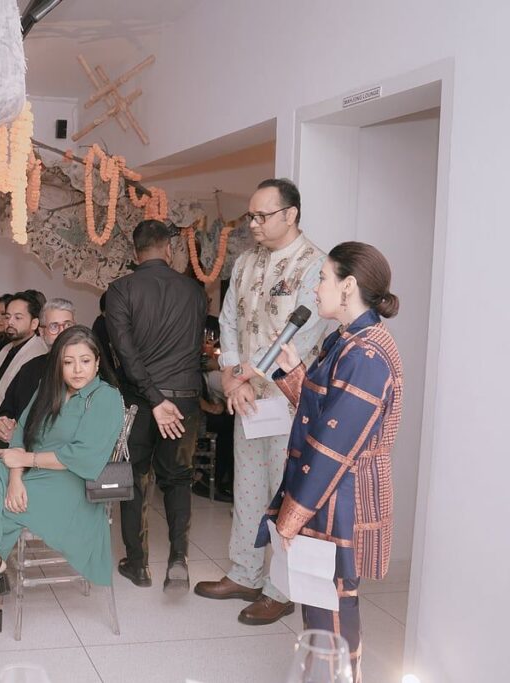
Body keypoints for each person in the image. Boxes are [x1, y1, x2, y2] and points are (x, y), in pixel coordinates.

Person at [256, 242, 403, 683]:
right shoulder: (348, 340)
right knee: (320, 601)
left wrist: (291, 516)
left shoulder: (366, 355)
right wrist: (295, 373)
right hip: (331, 487)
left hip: (341, 493)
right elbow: (329, 416)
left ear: (348, 286)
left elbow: (333, 446)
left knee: (333, 607)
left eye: (323, 278)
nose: (316, 288)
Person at [194, 178, 330, 626]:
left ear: (290, 215)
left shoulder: (315, 265)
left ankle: (281, 589)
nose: (252, 224)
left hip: (291, 401)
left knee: (285, 495)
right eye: (250, 216)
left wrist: (246, 376)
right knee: (248, 487)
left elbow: (302, 336)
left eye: (261, 216)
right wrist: (233, 377)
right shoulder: (247, 260)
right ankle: (244, 573)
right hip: (248, 398)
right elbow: (229, 319)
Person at [0, 326, 124, 635]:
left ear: (98, 362)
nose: (77, 369)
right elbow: (22, 433)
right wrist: (16, 477)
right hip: (33, 472)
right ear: (58, 364)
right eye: (68, 362)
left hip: (72, 485)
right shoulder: (49, 387)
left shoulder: (105, 397)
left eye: (85, 361)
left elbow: (83, 458)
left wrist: (24, 461)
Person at [105, 220, 207, 590]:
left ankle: (138, 565)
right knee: (178, 479)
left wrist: (153, 397)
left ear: (134, 252)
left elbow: (126, 354)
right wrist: (166, 399)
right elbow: (193, 349)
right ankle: (178, 558)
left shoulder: (120, 290)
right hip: (184, 401)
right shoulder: (195, 291)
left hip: (140, 402)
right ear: (169, 249)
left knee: (133, 478)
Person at [0, 298, 76, 450]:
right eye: (54, 326)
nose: (63, 332)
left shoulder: (84, 372)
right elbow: (6, 409)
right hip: (16, 447)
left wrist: (19, 436)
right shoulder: (30, 367)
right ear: (42, 332)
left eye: (68, 325)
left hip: (51, 453)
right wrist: (4, 424)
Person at [0, 292, 47, 433]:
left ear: (34, 323)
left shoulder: (37, 355)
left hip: (3, 430)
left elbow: (13, 410)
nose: (10, 322)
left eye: (18, 317)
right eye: (7, 316)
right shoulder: (6, 349)